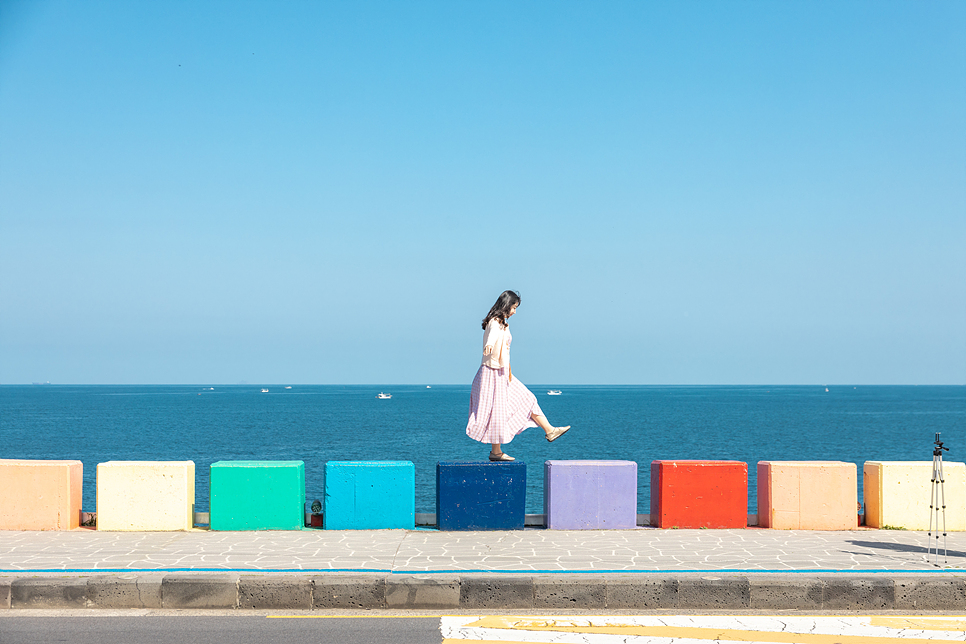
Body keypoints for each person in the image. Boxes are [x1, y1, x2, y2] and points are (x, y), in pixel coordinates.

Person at [465, 290, 570, 461]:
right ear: (506, 305)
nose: (515, 311)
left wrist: (509, 371)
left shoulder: (504, 322)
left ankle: (549, 430)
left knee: (526, 398)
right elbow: (491, 336)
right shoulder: (495, 321)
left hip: (503, 373)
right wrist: (489, 346)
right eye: (514, 307)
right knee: (496, 410)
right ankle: (496, 452)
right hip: (492, 372)